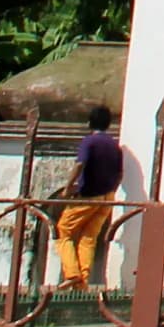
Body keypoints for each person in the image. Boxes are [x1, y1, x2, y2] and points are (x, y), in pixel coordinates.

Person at [56, 106, 126, 287]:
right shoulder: (114, 145)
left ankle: (72, 273)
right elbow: (120, 174)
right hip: (108, 197)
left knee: (64, 230)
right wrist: (111, 190)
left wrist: (68, 187)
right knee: (89, 238)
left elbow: (80, 164)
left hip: (89, 195)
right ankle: (82, 282)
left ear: (89, 123)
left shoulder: (90, 142)